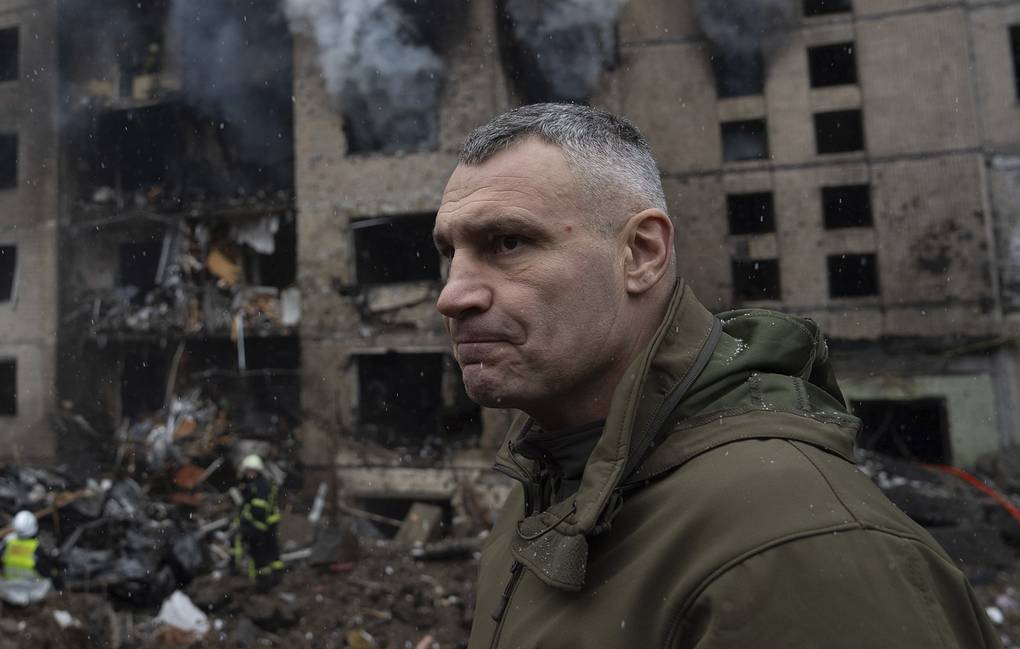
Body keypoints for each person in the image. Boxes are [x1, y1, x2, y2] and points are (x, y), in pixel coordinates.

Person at [433, 103, 1001, 649]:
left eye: (508, 243)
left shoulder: (795, 544)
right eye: (448, 253)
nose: (453, 295)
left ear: (641, 253)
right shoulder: (540, 497)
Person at [233, 454, 283, 590]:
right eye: (248, 471)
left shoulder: (258, 486)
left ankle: (263, 582)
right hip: (267, 526)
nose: (250, 474)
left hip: (260, 526)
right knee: (269, 553)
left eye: (252, 471)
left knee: (259, 553)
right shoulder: (262, 484)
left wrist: (245, 518)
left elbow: (259, 510)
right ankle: (272, 579)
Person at [0, 511, 56, 606]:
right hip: (34, 591)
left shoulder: (7, 544)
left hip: (8, 591)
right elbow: (47, 572)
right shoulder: (38, 549)